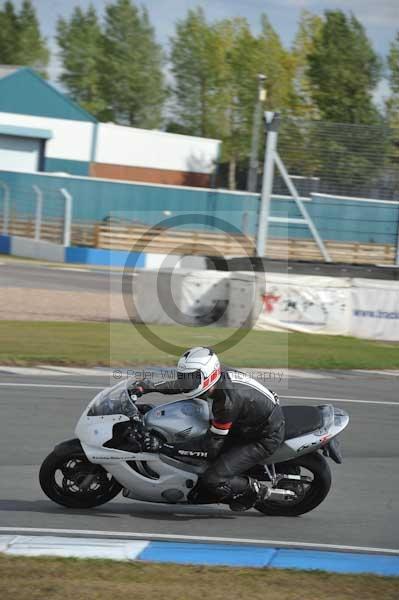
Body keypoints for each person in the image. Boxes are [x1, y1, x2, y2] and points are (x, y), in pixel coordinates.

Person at [131, 346, 285, 511]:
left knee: (213, 478)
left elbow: (210, 447)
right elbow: (182, 385)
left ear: (208, 375)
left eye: (191, 378)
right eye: (185, 377)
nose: (186, 382)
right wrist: (147, 387)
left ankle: (255, 490)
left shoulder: (226, 403)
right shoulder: (213, 376)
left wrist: (163, 447)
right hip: (247, 421)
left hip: (263, 437)